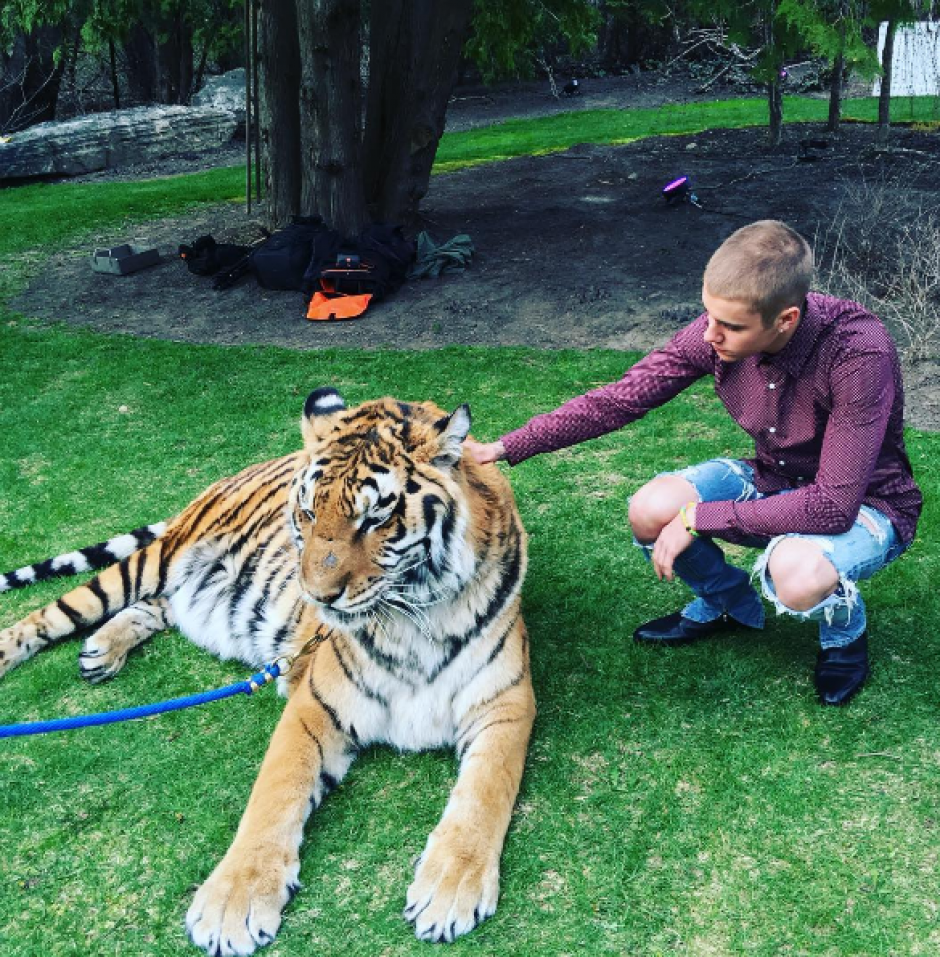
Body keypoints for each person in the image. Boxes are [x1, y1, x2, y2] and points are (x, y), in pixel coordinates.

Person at [465, 220, 922, 705]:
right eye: (707, 315)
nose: (710, 335)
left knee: (798, 573)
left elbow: (832, 507)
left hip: (866, 506)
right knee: (650, 508)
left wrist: (701, 517)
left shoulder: (857, 353)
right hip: (774, 480)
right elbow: (620, 399)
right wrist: (506, 447)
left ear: (785, 319)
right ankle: (729, 604)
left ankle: (844, 635)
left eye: (731, 326)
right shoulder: (717, 331)